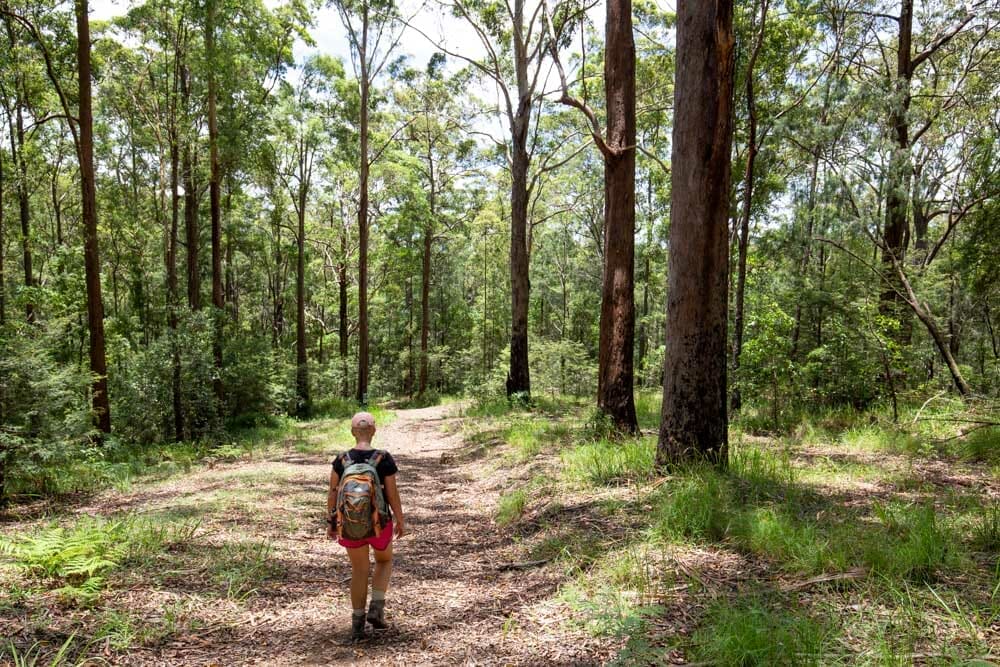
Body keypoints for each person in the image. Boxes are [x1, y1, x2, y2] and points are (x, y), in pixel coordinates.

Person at [327, 411, 406, 641]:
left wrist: (331, 522)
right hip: (380, 524)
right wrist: (400, 519)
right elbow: (392, 494)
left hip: (350, 525)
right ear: (373, 431)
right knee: (384, 560)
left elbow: (333, 493)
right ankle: (377, 608)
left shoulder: (341, 460)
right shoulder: (383, 458)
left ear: (353, 432)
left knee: (359, 569)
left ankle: (357, 625)